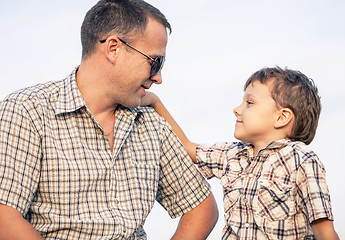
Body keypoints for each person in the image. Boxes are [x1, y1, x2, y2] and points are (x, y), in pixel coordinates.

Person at [0, 0, 218, 239]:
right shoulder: (27, 111)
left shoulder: (151, 124)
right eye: (155, 62)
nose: (158, 78)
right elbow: (5, 215)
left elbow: (201, 207)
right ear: (113, 48)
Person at [142, 67, 340, 239]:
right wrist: (155, 102)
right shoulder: (232, 155)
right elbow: (185, 147)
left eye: (249, 103)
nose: (237, 109)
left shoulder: (302, 160)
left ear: (281, 117)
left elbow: (325, 232)